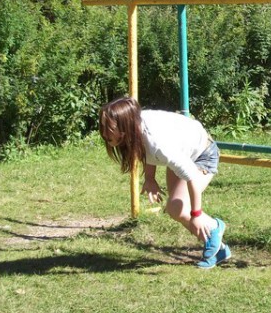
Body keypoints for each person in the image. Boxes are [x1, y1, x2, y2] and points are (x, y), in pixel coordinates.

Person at [99, 96, 232, 267]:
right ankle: (220, 250)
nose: (104, 132)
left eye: (109, 127)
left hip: (202, 155)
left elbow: (191, 174)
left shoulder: (159, 145)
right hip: (183, 153)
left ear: (126, 126)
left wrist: (197, 214)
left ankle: (215, 226)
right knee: (175, 209)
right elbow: (143, 148)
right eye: (103, 126)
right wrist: (150, 178)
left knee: (178, 208)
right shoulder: (136, 128)